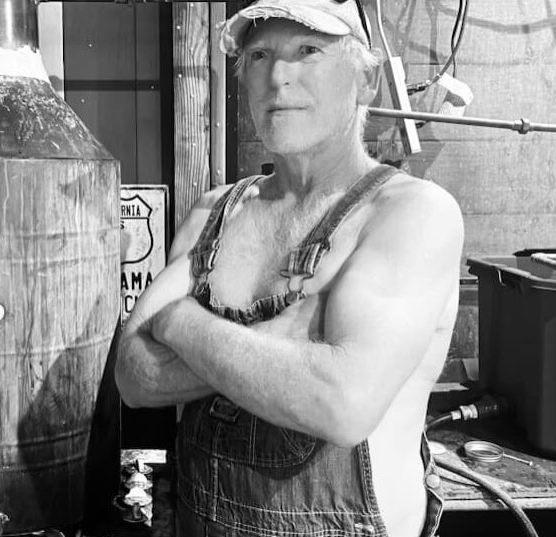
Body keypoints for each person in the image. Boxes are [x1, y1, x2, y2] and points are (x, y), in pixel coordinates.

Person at [115, 0, 463, 535]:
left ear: (365, 81)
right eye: (259, 55)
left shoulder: (411, 214)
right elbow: (134, 377)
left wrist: (179, 322)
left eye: (308, 51)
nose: (278, 76)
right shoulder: (215, 213)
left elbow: (340, 403)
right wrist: (285, 348)